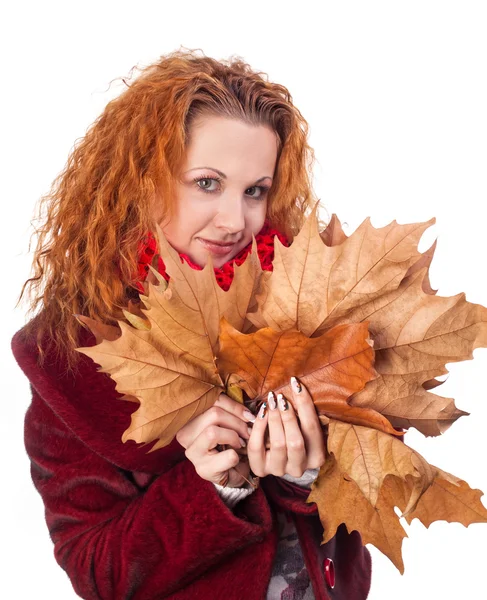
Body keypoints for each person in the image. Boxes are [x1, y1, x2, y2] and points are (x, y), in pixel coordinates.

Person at [12, 48, 372, 599]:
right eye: (207, 183)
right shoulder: (71, 359)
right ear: (141, 180)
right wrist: (210, 491)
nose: (235, 220)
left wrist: (305, 476)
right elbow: (99, 572)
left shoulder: (303, 307)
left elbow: (352, 541)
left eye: (255, 190)